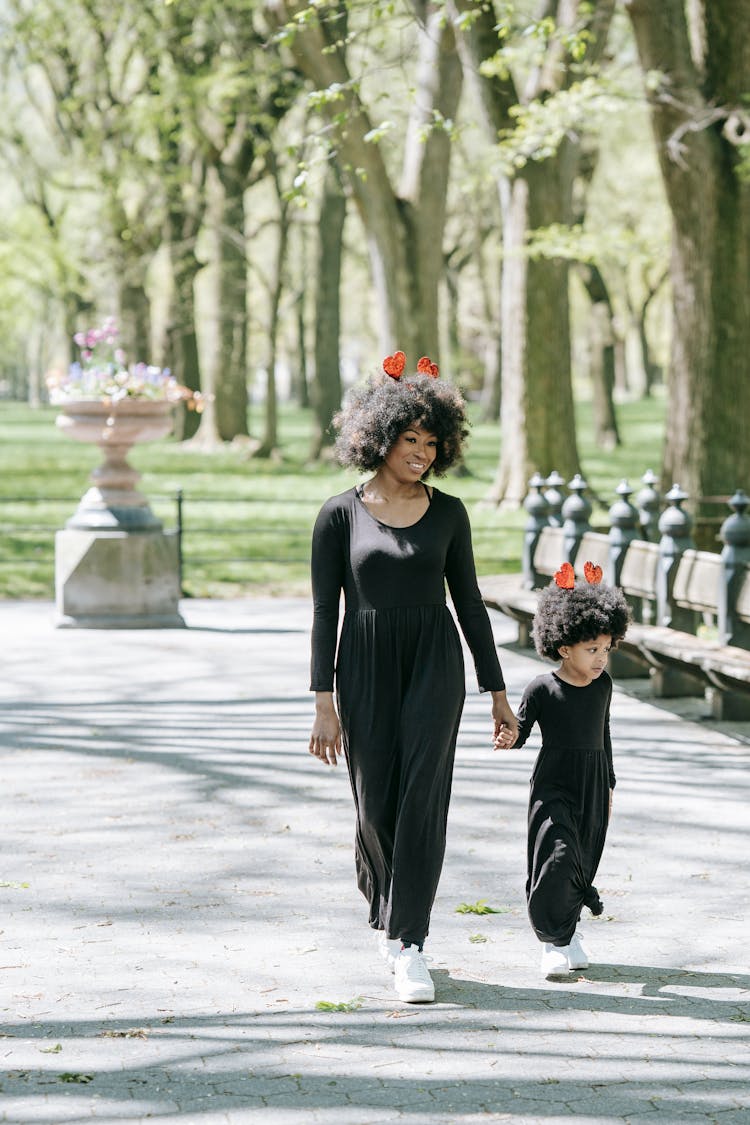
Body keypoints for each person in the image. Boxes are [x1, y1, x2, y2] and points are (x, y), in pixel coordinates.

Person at [309, 351, 518, 1004]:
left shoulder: (450, 513)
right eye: (410, 440)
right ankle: (385, 900)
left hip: (435, 663)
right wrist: (324, 702)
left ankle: (409, 942)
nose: (421, 452)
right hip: (365, 664)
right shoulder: (339, 515)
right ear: (379, 437)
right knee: (375, 801)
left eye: (432, 442)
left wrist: (498, 693)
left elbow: (472, 606)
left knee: (422, 799)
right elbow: (325, 612)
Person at [495, 561, 630, 979]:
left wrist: (608, 786)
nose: (601, 659)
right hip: (554, 782)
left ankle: (568, 933)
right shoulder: (542, 687)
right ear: (564, 646)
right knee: (557, 854)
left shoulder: (603, 686)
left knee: (581, 861)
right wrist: (508, 739)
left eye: (607, 649)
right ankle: (550, 942)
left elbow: (603, 737)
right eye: (593, 650)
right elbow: (521, 730)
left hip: (591, 782)